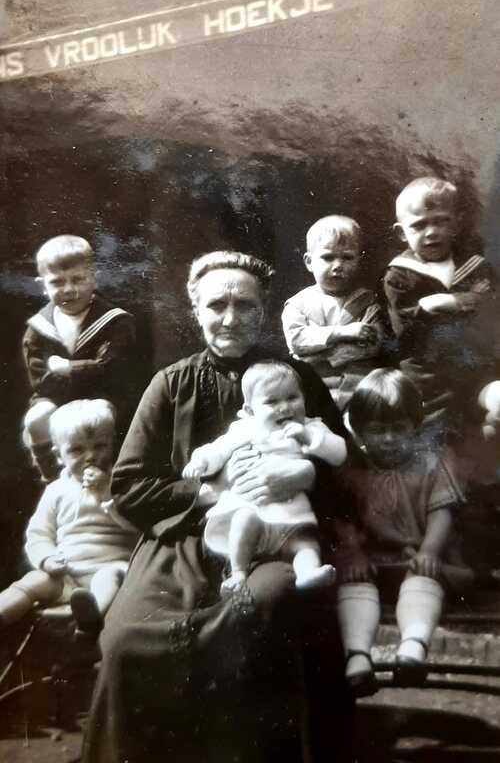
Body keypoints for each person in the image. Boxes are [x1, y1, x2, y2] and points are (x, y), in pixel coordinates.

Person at [82, 251, 356, 763]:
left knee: (266, 611)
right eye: (216, 305)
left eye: (245, 306)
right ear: (195, 309)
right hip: (183, 539)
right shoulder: (170, 383)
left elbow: (348, 473)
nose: (230, 318)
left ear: (264, 309)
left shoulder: (295, 380)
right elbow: (130, 485)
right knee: (125, 640)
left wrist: (301, 474)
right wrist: (211, 490)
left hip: (278, 536)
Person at [335, 369, 462, 697]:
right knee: (353, 582)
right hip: (368, 561)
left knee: (423, 581)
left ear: (415, 427)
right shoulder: (353, 469)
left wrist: (430, 551)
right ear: (360, 430)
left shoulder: (431, 463)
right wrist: (353, 552)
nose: (389, 439)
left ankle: (412, 648)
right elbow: (341, 517)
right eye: (378, 430)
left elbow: (441, 512)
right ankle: (358, 654)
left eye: (399, 428)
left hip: (415, 557)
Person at [184, 360, 347, 593]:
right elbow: (218, 449)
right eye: (272, 401)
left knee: (305, 544)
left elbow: (339, 453)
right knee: (243, 520)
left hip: (292, 514)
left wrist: (310, 439)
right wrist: (201, 462)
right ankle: (238, 573)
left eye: (292, 398)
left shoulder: (311, 427)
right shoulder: (247, 429)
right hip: (253, 509)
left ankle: (307, 572)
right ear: (250, 411)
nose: (285, 408)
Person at [0, 399, 137, 633]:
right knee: (32, 582)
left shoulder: (121, 483)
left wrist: (106, 493)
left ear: (112, 445)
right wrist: (46, 558)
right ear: (59, 455)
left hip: (109, 567)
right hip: (66, 577)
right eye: (76, 449)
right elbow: (38, 534)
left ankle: (89, 622)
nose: (90, 456)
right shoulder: (56, 491)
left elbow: (135, 526)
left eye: (99, 446)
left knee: (108, 578)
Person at [383, 177, 493, 436]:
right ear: (402, 233)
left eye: (441, 221)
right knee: (437, 431)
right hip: (429, 374)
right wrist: (465, 307)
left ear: (456, 222)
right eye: (419, 225)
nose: (431, 232)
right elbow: (406, 331)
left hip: (476, 365)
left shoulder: (476, 266)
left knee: (491, 413)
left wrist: (453, 302)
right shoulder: (399, 276)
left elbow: (492, 310)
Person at [22, 234, 137, 482]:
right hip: (56, 397)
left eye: (78, 279)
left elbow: (112, 369)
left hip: (102, 394)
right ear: (43, 285)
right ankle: (52, 479)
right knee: (35, 418)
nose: (69, 289)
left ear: (93, 278)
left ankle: (108, 476)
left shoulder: (114, 321)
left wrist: (69, 368)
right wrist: (67, 400)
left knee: (103, 417)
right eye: (57, 282)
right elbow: (40, 379)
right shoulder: (39, 328)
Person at [282, 215, 383, 410]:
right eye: (328, 257)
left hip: (359, 387)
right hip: (310, 386)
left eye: (347, 257)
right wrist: (342, 333)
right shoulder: (297, 304)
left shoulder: (368, 301)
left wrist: (318, 356)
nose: (337, 266)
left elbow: (372, 344)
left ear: (358, 260)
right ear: (309, 262)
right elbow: (296, 340)